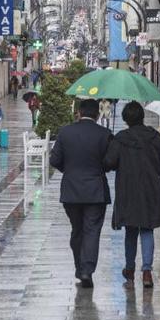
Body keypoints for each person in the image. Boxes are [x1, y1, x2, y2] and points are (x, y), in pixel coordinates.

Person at [103, 101, 160, 289]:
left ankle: (130, 269)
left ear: (126, 119)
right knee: (147, 229)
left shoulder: (121, 139)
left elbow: (109, 162)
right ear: (142, 116)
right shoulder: (154, 137)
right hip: (150, 189)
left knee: (131, 230)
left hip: (128, 190)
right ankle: (147, 271)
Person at [50, 99, 113, 289]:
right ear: (98, 114)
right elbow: (110, 162)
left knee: (77, 230)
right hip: (95, 190)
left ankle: (79, 268)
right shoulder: (105, 134)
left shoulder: (66, 132)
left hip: (71, 190)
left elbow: (54, 160)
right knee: (92, 231)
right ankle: (86, 270)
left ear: (78, 112)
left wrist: (69, 171)